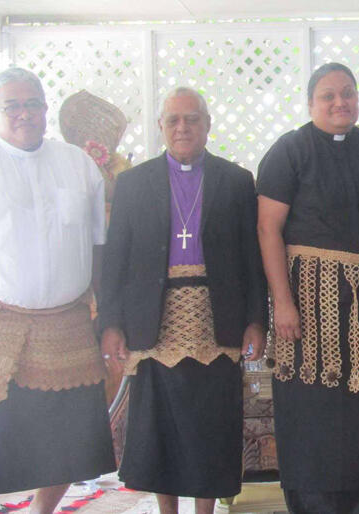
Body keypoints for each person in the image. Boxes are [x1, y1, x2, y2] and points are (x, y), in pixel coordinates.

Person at [97, 87, 268, 514]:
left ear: (208, 125)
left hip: (218, 318)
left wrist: (255, 320)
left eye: (192, 119)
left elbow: (253, 258)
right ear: (160, 127)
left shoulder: (236, 180)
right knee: (159, 427)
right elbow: (114, 259)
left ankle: (205, 511)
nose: (182, 127)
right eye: (173, 120)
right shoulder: (133, 183)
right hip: (153, 320)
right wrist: (111, 323)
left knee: (210, 424)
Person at [256, 62, 359, 514]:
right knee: (313, 415)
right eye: (328, 95)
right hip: (309, 309)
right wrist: (282, 303)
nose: (340, 102)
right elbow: (268, 231)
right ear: (310, 103)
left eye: (348, 93)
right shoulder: (288, 151)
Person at [0, 68, 115, 514]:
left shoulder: (77, 164)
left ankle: (43, 511)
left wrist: (105, 318)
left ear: (45, 109)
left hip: (69, 322)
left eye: (32, 103)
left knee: (67, 438)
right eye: (12, 105)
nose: (23, 114)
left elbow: (99, 248)